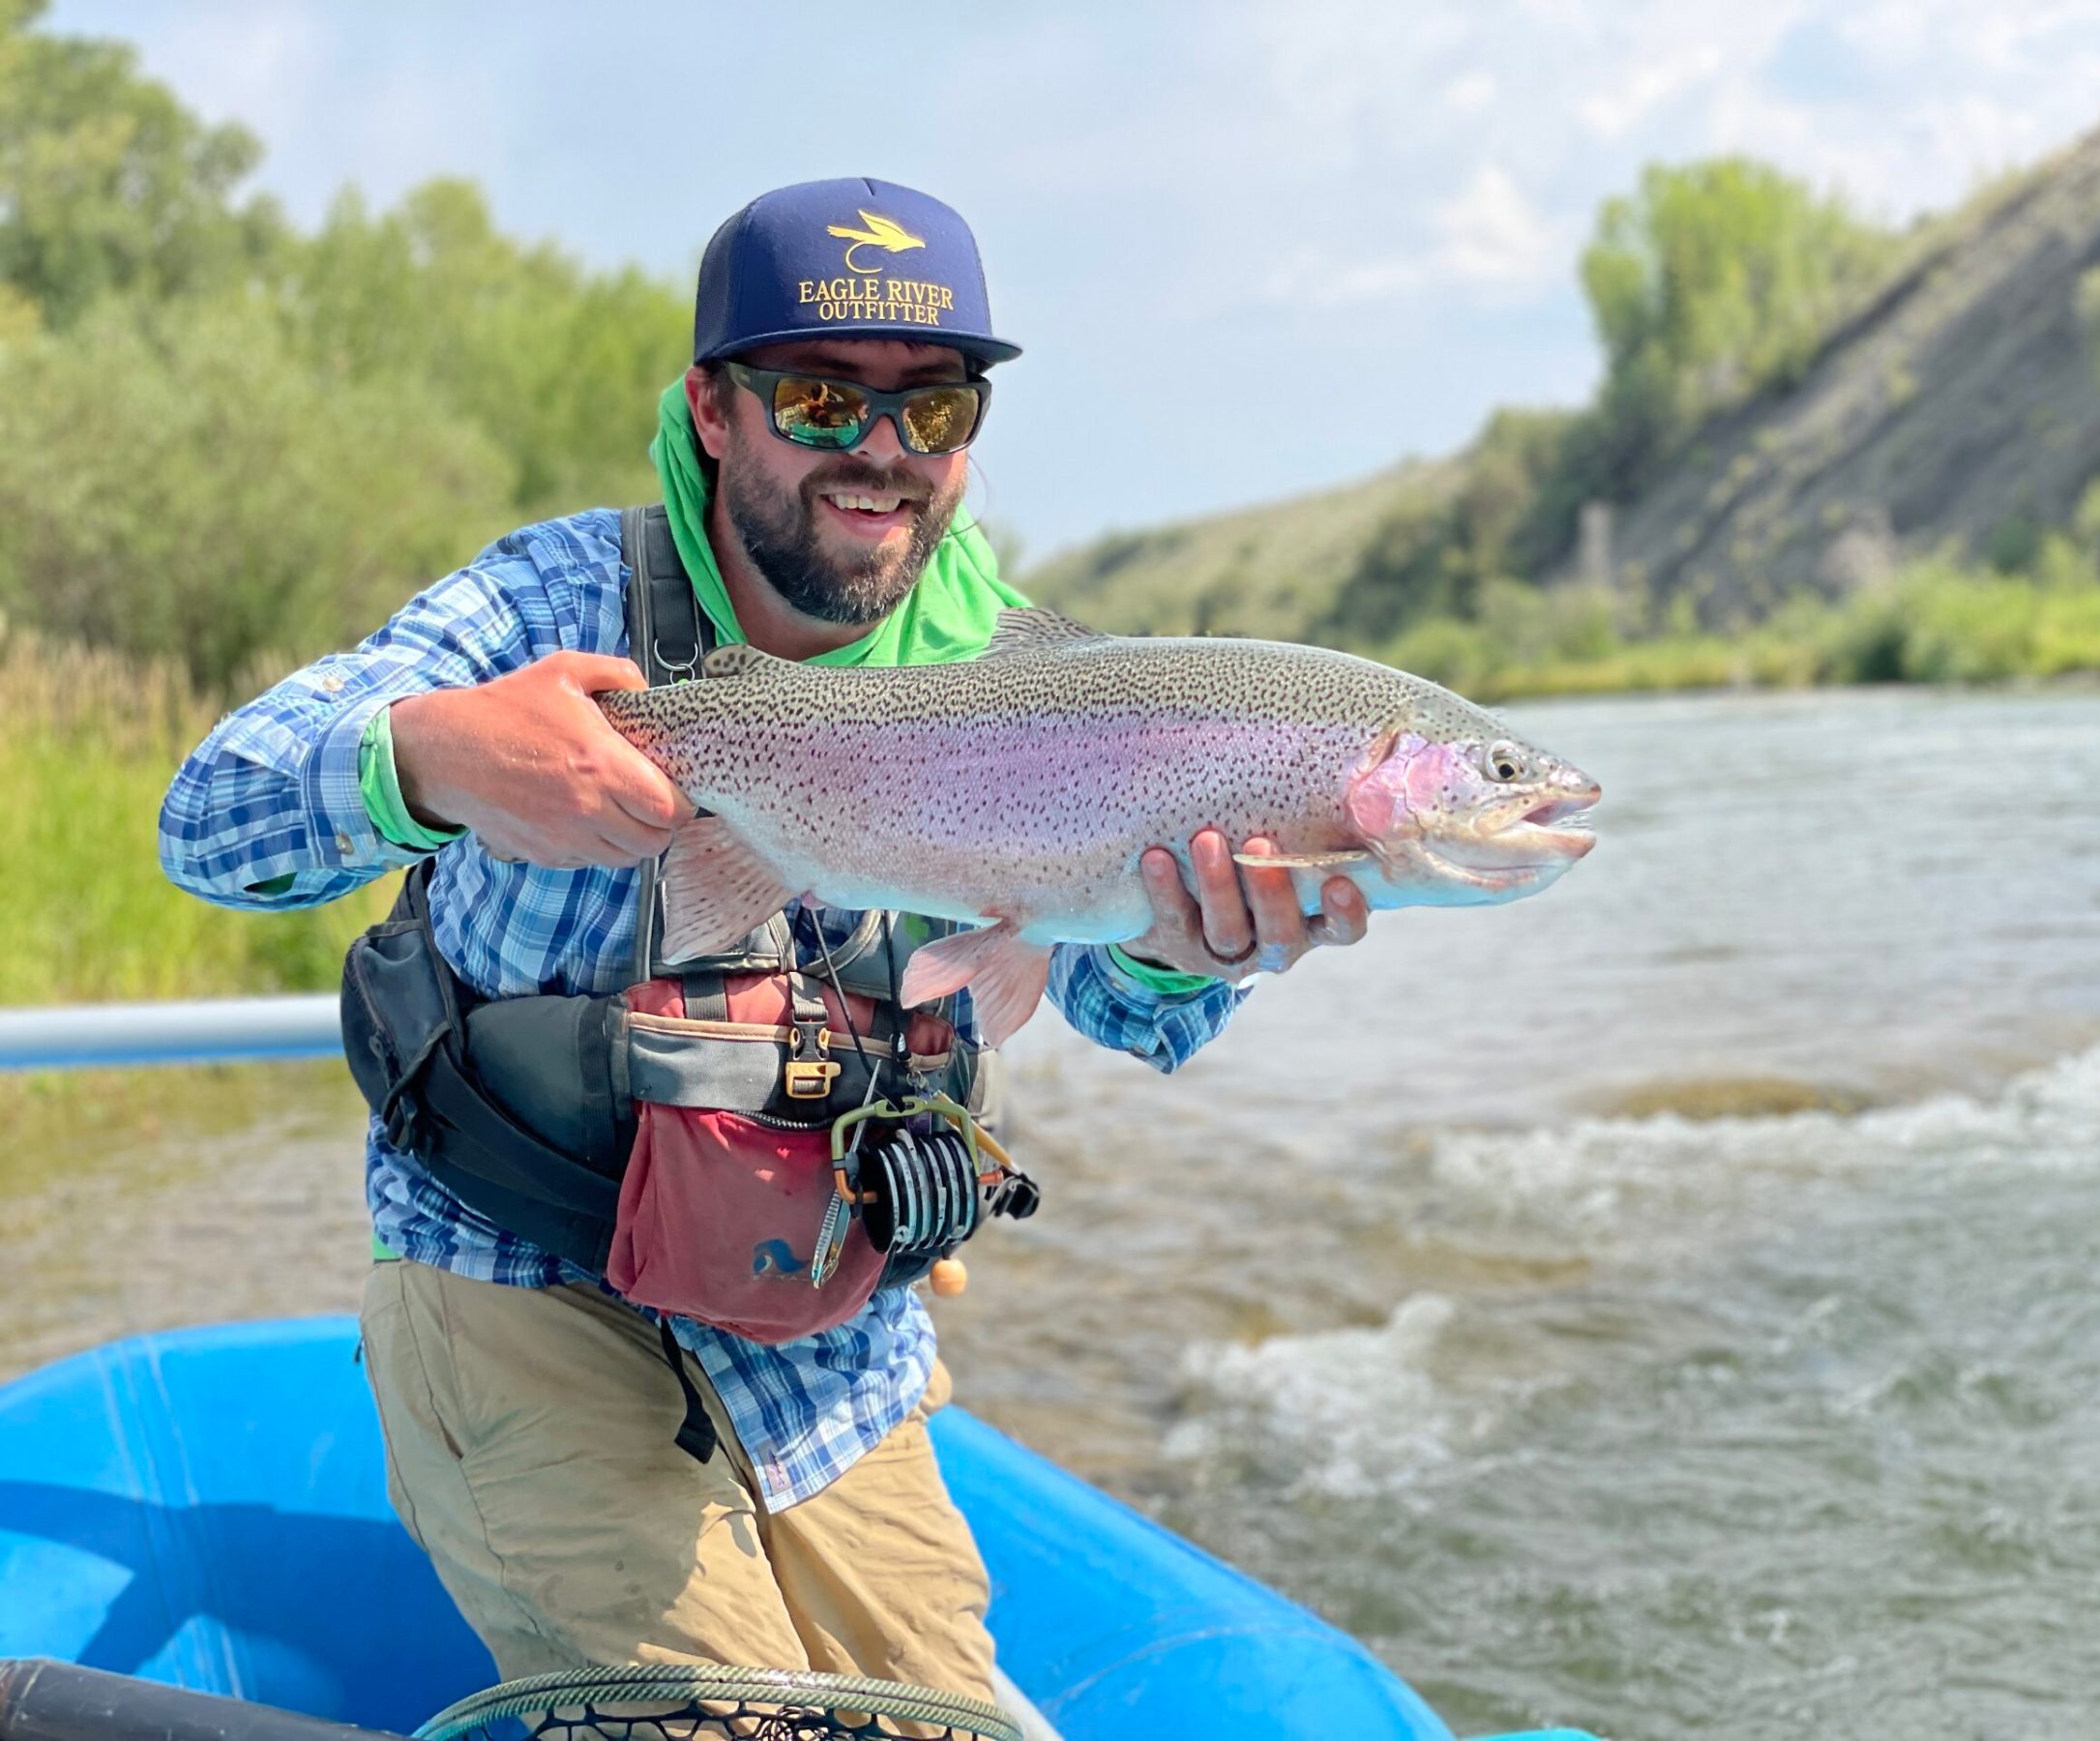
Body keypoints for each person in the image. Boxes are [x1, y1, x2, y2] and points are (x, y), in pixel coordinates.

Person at [158, 178, 1371, 1705]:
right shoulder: (553, 603)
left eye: (934, 407)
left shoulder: (1026, 680)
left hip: (831, 1349)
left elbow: (1139, 1019)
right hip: (519, 1286)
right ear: (713, 411)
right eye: (821, 399)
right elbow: (208, 821)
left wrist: (1186, 945)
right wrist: (433, 756)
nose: (882, 449)